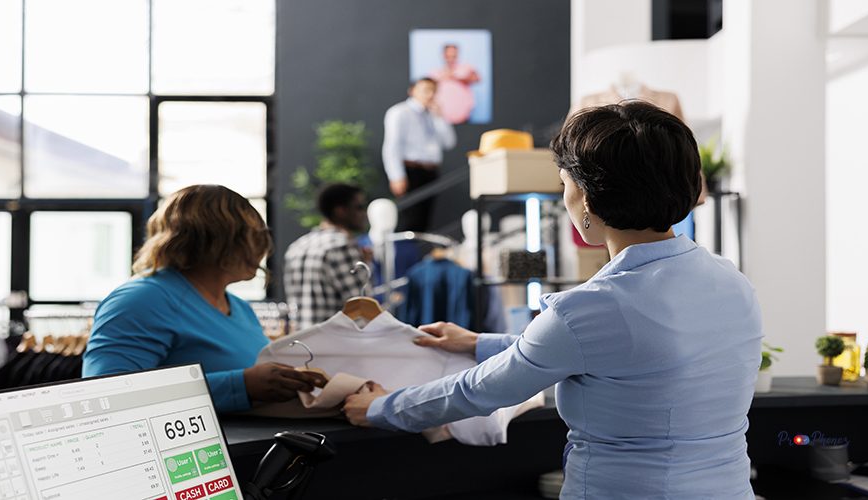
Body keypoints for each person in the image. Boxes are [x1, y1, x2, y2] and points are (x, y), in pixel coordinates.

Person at [345, 102, 762, 499]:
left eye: (565, 185)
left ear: (587, 199)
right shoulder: (732, 282)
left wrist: (379, 408)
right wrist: (477, 343)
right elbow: (627, 355)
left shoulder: (589, 309)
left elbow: (477, 391)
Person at [83, 185, 326, 412]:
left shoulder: (240, 308)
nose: (263, 248)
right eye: (254, 236)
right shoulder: (141, 300)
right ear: (216, 241)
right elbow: (106, 396)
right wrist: (240, 386)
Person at [283, 183, 370, 331]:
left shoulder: (296, 247)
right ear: (341, 211)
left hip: (302, 344)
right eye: (359, 207)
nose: (364, 213)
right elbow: (362, 310)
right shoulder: (342, 246)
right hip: (337, 346)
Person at [382, 77, 456, 232]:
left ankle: (417, 254)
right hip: (410, 171)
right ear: (412, 91)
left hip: (431, 172)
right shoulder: (400, 112)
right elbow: (392, 146)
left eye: (433, 91)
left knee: (424, 220)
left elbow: (449, 142)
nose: (430, 95)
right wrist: (396, 176)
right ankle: (405, 254)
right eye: (425, 90)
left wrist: (439, 117)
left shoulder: (432, 115)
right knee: (409, 219)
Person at [429, 43, 481, 125]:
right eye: (448, 56)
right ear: (443, 55)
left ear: (457, 55)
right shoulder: (436, 73)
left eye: (453, 56)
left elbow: (477, 79)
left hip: (464, 117)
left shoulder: (466, 68)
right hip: (441, 118)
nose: (451, 59)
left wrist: (455, 77)